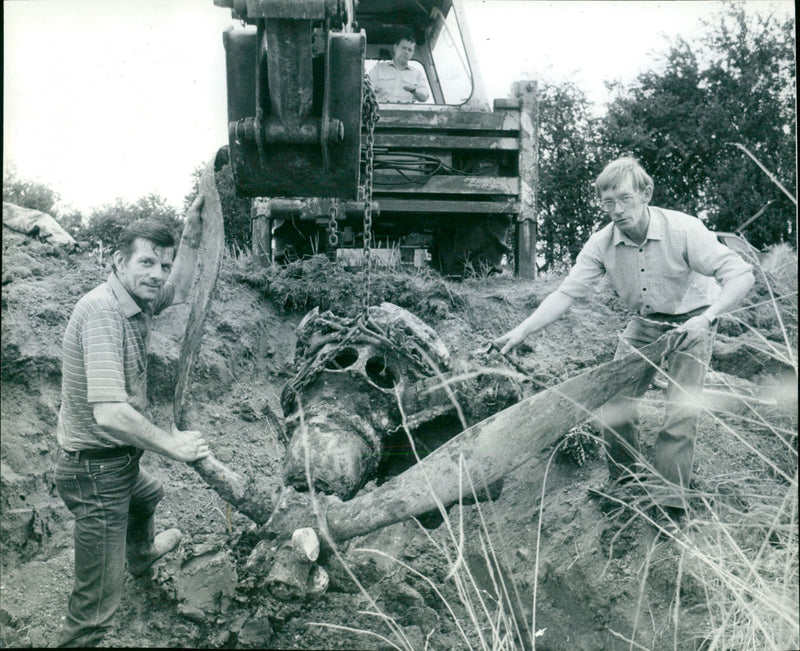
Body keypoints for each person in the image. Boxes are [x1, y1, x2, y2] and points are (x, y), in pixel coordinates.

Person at [494, 156, 754, 532]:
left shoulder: (684, 230)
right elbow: (567, 293)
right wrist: (521, 332)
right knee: (613, 403)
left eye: (624, 199)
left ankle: (668, 505)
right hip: (644, 325)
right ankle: (626, 485)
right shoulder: (602, 244)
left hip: (693, 321)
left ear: (645, 194)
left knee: (680, 411)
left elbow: (741, 275)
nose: (616, 210)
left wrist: (707, 318)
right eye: (607, 202)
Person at [53, 193, 212, 647]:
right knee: (96, 609)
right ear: (119, 262)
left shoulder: (134, 299)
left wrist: (191, 236)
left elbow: (180, 290)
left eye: (161, 266)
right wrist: (172, 444)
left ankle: (140, 556)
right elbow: (110, 413)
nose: (157, 275)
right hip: (96, 472)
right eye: (147, 263)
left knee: (150, 494)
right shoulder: (103, 312)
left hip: (116, 464)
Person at [368, 30, 430, 103]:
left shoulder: (417, 74)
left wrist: (414, 91)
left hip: (406, 113)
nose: (406, 52)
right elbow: (367, 90)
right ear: (395, 48)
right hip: (381, 112)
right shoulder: (379, 68)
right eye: (403, 48)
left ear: (412, 53)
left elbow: (424, 97)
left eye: (410, 50)